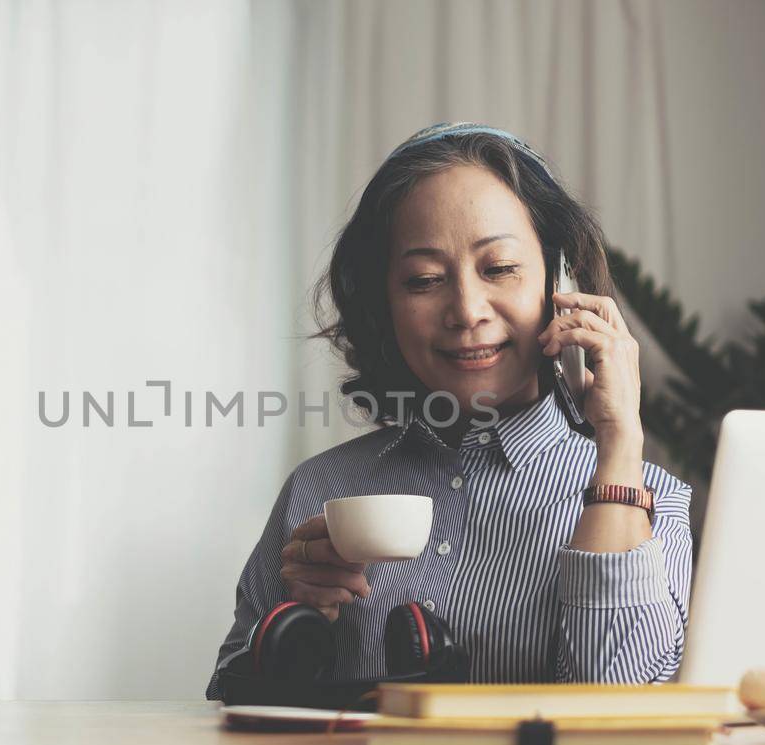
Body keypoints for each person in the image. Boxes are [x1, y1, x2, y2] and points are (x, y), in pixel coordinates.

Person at [205, 123, 693, 699]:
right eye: (425, 280)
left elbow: (621, 721)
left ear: (558, 282)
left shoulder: (648, 501)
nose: (465, 310)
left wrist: (618, 443)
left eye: (499, 268)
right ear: (383, 304)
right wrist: (302, 620)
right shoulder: (317, 491)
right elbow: (228, 712)